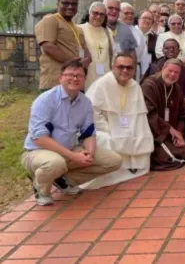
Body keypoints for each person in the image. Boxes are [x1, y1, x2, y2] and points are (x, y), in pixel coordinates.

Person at [22, 60, 122, 205]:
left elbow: (88, 133)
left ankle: (63, 181)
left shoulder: (85, 102)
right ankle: (41, 189)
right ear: (60, 78)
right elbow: (39, 138)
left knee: (113, 161)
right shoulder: (45, 100)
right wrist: (73, 156)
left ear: (84, 80)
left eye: (79, 76)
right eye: (70, 75)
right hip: (39, 151)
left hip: (69, 148)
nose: (75, 79)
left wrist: (90, 153)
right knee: (55, 163)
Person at [82, 54, 154, 189]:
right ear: (112, 67)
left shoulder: (135, 86)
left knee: (142, 134)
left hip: (127, 127)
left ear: (134, 70)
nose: (125, 71)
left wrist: (133, 131)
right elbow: (92, 114)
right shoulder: (101, 85)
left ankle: (133, 168)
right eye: (121, 67)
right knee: (106, 139)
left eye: (129, 68)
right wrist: (111, 129)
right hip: (105, 128)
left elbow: (139, 116)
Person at [142, 59, 185, 170]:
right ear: (162, 69)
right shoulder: (149, 85)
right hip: (155, 133)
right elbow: (149, 114)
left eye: (176, 73)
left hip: (169, 132)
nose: (172, 75)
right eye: (170, 71)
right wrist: (170, 129)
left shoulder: (176, 88)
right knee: (167, 159)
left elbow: (182, 114)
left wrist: (179, 133)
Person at [36, 0, 91, 91]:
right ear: (58, 4)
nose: (70, 7)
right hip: (56, 83)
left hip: (75, 81)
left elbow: (85, 49)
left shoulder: (77, 28)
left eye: (74, 4)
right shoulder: (51, 20)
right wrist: (75, 62)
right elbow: (48, 47)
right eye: (66, 3)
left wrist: (87, 59)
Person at [78, 2, 112, 89]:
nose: (98, 17)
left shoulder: (108, 32)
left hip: (105, 73)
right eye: (95, 13)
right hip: (87, 73)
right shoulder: (79, 29)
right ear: (89, 13)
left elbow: (113, 53)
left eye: (102, 14)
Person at [120, 3, 148, 81]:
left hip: (135, 69)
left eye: (132, 13)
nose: (130, 16)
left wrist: (144, 73)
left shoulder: (138, 32)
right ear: (119, 14)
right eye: (126, 13)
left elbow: (144, 55)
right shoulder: (114, 30)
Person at [136, 10, 158, 75]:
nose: (147, 20)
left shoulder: (155, 37)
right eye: (144, 18)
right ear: (138, 20)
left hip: (149, 71)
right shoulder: (131, 33)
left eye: (150, 19)